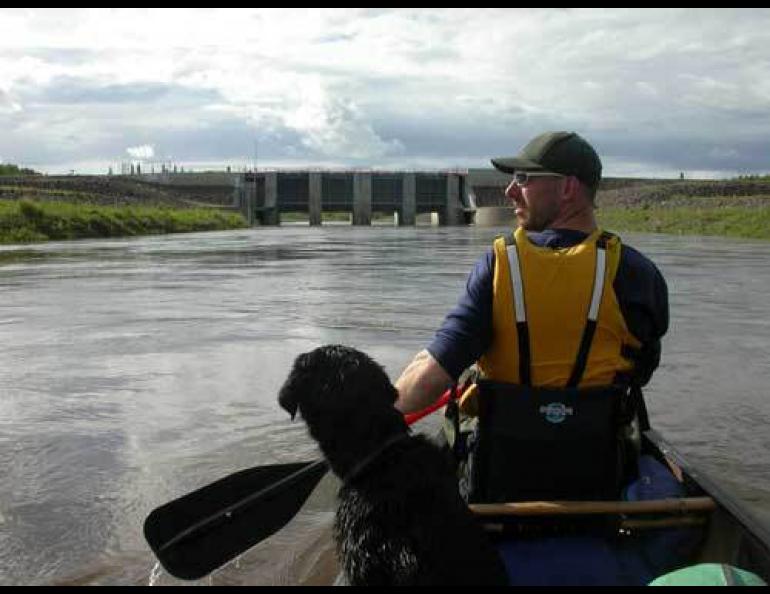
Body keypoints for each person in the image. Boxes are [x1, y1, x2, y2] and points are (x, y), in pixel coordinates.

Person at [394, 131, 669, 502]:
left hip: (501, 481)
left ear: (568, 187)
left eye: (523, 180)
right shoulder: (638, 273)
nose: (509, 191)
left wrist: (374, 419)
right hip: (598, 477)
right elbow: (641, 370)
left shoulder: (498, 266)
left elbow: (432, 375)